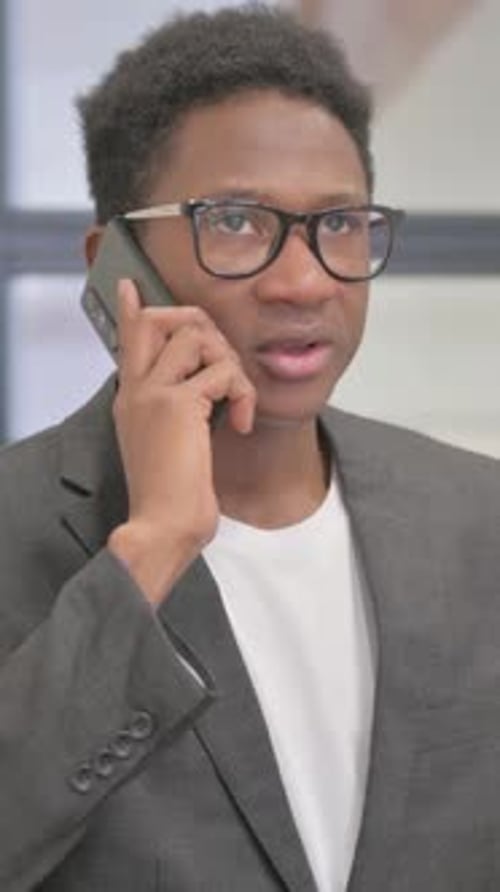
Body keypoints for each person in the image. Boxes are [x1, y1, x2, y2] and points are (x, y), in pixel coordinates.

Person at [0, 5, 499, 892]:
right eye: (234, 221)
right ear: (114, 264)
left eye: (340, 224)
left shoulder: (477, 516)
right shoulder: (16, 521)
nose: (304, 283)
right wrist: (153, 545)